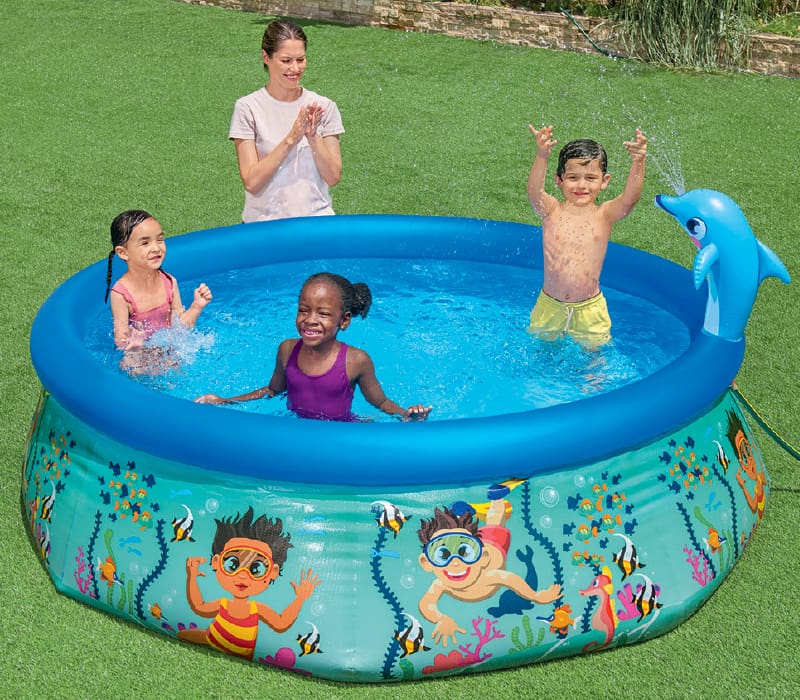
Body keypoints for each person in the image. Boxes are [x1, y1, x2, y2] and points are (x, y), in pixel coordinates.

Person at [195, 272, 433, 422]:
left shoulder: (355, 361)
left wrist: (405, 414)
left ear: (344, 320)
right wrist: (225, 400)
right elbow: (271, 391)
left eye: (324, 314)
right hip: (296, 426)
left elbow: (380, 403)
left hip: (341, 430)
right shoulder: (287, 350)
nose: (310, 320)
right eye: (303, 310)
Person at [525, 126, 648, 348]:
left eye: (591, 178)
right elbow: (534, 192)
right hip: (549, 306)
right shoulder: (551, 210)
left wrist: (638, 161)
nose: (581, 185)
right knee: (540, 358)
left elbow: (630, 199)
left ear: (604, 180)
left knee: (593, 366)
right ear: (559, 180)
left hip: (590, 310)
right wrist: (542, 156)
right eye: (573, 177)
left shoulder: (605, 215)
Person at [229, 19, 344, 222]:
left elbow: (333, 176)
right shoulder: (248, 108)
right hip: (263, 226)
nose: (295, 68)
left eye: (301, 59)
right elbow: (252, 182)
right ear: (266, 57)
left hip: (317, 223)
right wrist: (292, 137)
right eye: (286, 60)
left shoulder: (324, 106)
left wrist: (312, 136)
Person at [178, 506, 321, 660]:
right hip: (211, 637)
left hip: (244, 653)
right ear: (216, 562)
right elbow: (199, 606)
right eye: (232, 565)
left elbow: (280, 623)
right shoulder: (224, 604)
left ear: (272, 572)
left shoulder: (256, 609)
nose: (243, 576)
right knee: (181, 635)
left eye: (256, 569)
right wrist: (191, 576)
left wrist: (299, 599)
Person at [105, 210, 212, 365]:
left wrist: (196, 307)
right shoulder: (121, 294)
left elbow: (179, 329)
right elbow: (120, 340)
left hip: (167, 351)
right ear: (123, 252)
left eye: (160, 240)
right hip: (140, 356)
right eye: (145, 243)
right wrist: (133, 346)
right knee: (131, 365)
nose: (156, 248)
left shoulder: (169, 282)